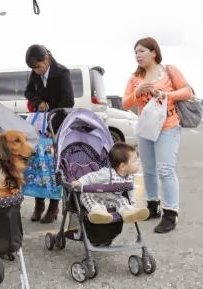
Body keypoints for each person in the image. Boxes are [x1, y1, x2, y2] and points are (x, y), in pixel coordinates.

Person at [122, 36, 193, 233]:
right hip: (146, 128)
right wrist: (138, 92)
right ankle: (153, 206)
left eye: (142, 51)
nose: (138, 55)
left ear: (154, 52)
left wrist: (166, 95)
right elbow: (125, 104)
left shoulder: (169, 71)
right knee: (149, 169)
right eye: (135, 52)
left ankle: (171, 213)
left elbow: (187, 91)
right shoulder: (135, 78)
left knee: (165, 170)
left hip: (168, 125)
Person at [24, 44, 74, 223]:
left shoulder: (62, 73)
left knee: (53, 166)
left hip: (57, 125)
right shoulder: (35, 72)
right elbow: (28, 91)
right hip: (40, 124)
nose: (36, 72)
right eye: (33, 69)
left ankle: (53, 206)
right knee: (38, 164)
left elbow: (68, 101)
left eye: (38, 67)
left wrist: (51, 111)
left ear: (46, 60)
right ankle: (39, 203)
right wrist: (39, 101)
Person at [71, 142, 149, 224]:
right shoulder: (107, 174)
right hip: (95, 197)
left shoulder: (129, 176)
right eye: (135, 161)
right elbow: (90, 177)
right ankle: (98, 213)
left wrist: (132, 204)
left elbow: (130, 191)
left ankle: (129, 212)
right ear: (122, 166)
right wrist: (79, 182)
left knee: (122, 199)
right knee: (86, 195)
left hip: (111, 200)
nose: (138, 163)